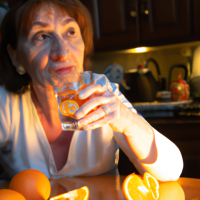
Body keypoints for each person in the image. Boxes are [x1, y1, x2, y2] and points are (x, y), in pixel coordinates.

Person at [0, 0, 183, 181]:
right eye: (42, 36)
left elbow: (171, 171)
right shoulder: (7, 104)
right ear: (15, 56)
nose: (63, 52)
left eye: (71, 32)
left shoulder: (102, 91)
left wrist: (126, 119)